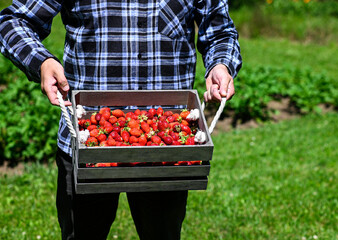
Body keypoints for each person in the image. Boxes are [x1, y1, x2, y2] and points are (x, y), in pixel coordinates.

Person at [0, 0, 241, 239]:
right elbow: (13, 22)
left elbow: (220, 31)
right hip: (87, 145)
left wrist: (220, 64)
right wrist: (42, 61)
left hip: (166, 148)